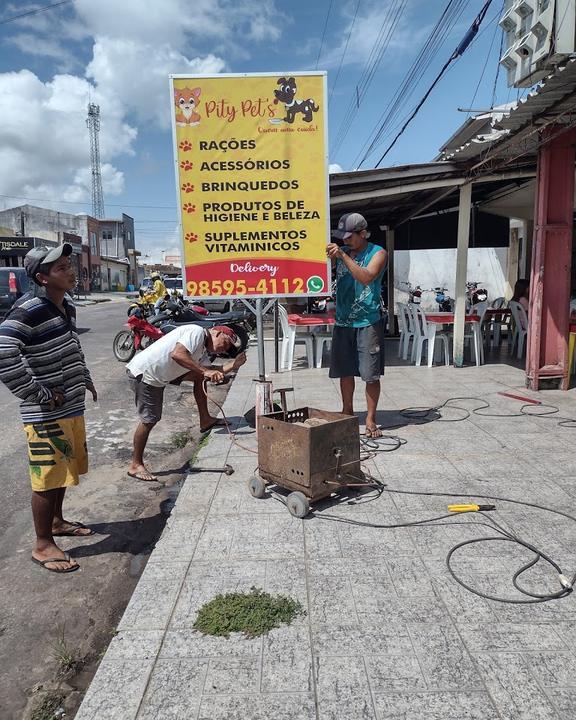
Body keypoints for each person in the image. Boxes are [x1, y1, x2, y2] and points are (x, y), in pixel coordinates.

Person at [0, 244, 97, 574]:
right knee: (45, 478)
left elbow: (73, 345)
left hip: (70, 406)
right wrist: (36, 393)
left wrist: (84, 377)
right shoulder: (27, 310)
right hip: (45, 414)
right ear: (42, 277)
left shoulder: (65, 305)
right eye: (61, 268)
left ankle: (56, 522)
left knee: (63, 472)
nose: (71, 272)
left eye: (70, 265)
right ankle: (42, 544)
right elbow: (4, 354)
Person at [126, 324, 247, 481]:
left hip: (161, 375)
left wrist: (234, 365)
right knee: (150, 419)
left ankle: (205, 420)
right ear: (217, 333)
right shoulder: (196, 332)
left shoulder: (201, 349)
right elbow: (177, 354)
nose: (223, 350)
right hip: (145, 374)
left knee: (199, 376)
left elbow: (209, 369)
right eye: (226, 344)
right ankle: (136, 465)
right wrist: (206, 371)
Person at [326, 213, 388, 439]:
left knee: (370, 375)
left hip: (367, 322)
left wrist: (342, 256)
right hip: (343, 322)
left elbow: (366, 277)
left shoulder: (378, 253)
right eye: (341, 237)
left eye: (349, 236)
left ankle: (371, 419)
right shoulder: (343, 252)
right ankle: (347, 411)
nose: (345, 240)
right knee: (345, 371)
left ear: (363, 234)